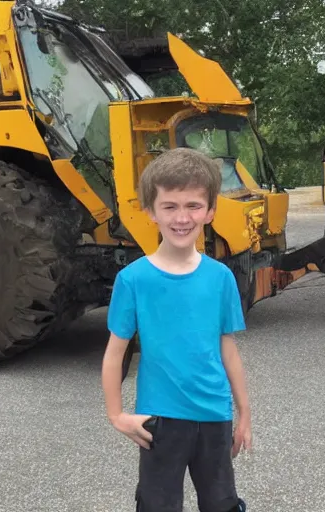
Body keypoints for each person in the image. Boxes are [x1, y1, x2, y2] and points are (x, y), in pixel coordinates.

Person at [101, 148, 252, 512]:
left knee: (221, 503)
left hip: (215, 414)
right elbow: (114, 352)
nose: (182, 218)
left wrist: (244, 413)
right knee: (158, 506)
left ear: (211, 211)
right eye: (169, 206)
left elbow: (226, 348)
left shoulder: (220, 278)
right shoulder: (133, 279)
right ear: (151, 212)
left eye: (193, 206)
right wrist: (116, 414)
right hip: (160, 419)